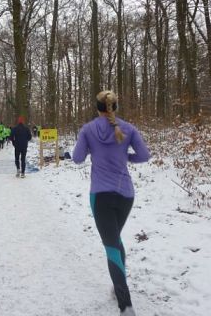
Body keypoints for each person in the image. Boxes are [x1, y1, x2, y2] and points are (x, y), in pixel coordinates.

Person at [72, 91, 150, 316]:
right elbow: (145, 155)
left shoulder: (88, 129)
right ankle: (119, 289)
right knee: (115, 241)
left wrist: (90, 150)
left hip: (101, 196)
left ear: (97, 107)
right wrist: (126, 157)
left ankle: (125, 305)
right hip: (126, 195)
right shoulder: (129, 129)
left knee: (111, 247)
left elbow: (77, 159)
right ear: (115, 107)